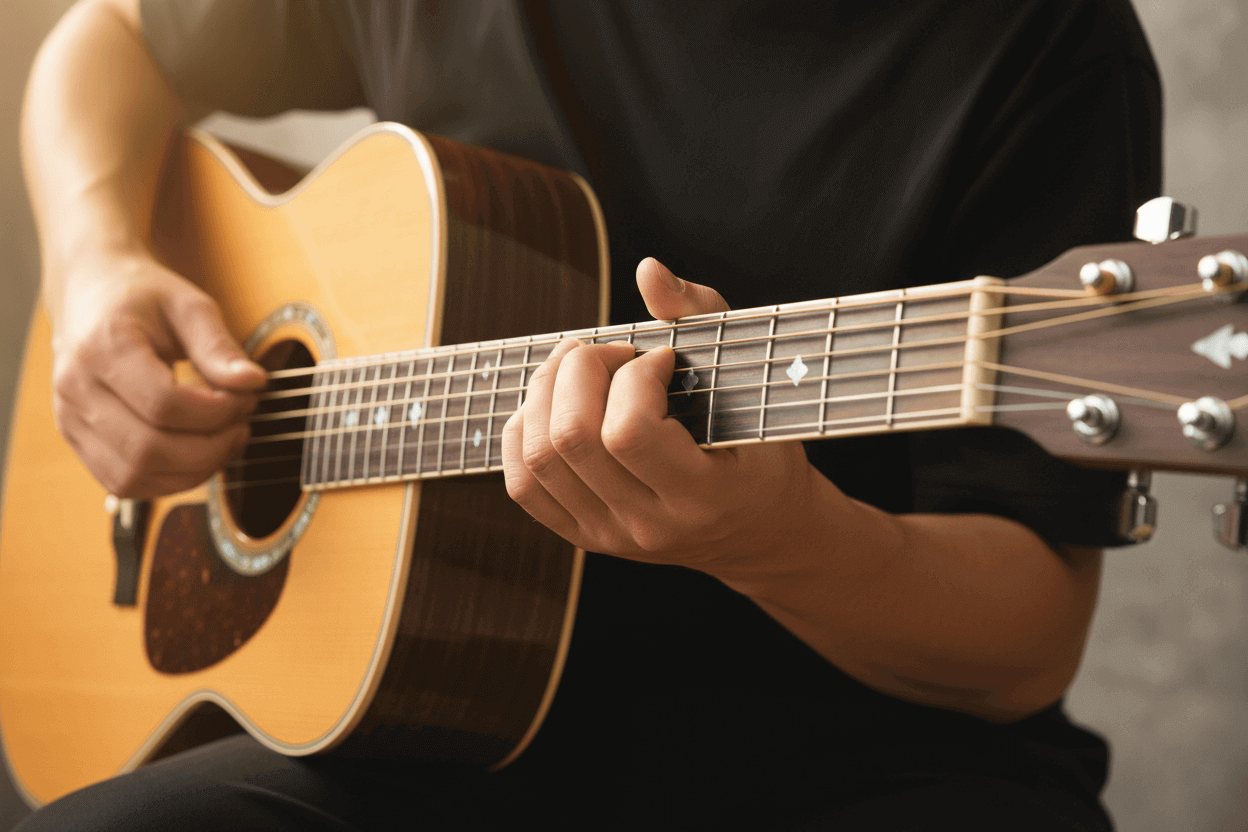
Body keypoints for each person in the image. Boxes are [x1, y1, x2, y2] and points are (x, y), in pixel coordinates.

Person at [15, 0, 1160, 828]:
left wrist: (774, 539)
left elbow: (1023, 645)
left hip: (855, 761)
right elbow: (108, 41)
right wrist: (94, 268)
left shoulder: (1042, 40)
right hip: (417, 733)